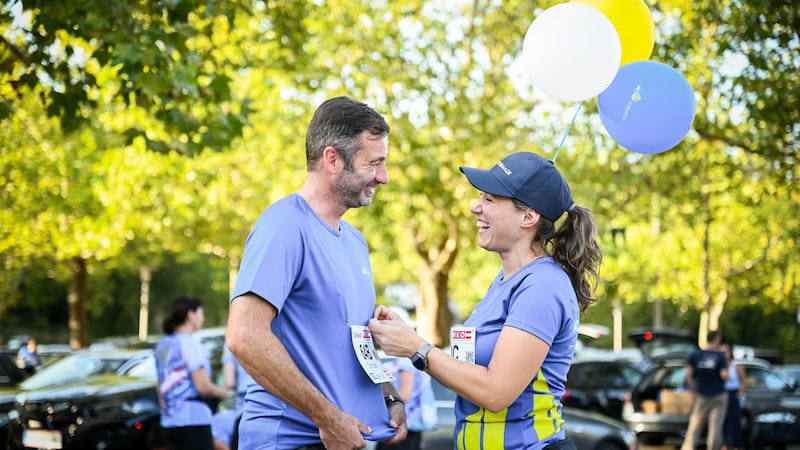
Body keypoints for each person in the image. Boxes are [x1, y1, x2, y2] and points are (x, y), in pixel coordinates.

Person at [370, 151, 603, 450]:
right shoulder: (504, 281)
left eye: (490, 199)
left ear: (528, 216)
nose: (474, 207)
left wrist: (416, 347)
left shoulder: (543, 285)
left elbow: (495, 392)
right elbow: (468, 370)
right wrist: (408, 337)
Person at [226, 96, 406, 450]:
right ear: (332, 160)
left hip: (348, 439)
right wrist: (328, 418)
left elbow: (352, 345)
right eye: (374, 163)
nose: (383, 177)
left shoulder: (355, 241)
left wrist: (389, 396)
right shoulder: (283, 225)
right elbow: (243, 336)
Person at [155, 296, 229, 450]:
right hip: (193, 421)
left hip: (168, 422)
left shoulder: (162, 345)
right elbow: (203, 386)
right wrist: (225, 393)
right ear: (191, 314)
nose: (202, 319)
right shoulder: (189, 343)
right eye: (201, 314)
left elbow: (159, 386)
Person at [681, 330, 729, 450]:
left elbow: (688, 376)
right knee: (715, 427)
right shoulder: (720, 356)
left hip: (702, 395)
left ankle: (688, 448)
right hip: (719, 395)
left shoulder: (695, 355)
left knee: (695, 425)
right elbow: (724, 376)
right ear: (717, 339)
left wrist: (693, 391)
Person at [720, 342, 746, 450]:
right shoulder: (720, 366)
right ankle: (724, 444)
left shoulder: (736, 365)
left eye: (724, 352)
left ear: (730, 353)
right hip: (722, 395)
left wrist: (739, 394)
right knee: (723, 421)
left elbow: (744, 381)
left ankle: (734, 445)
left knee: (734, 422)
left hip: (733, 394)